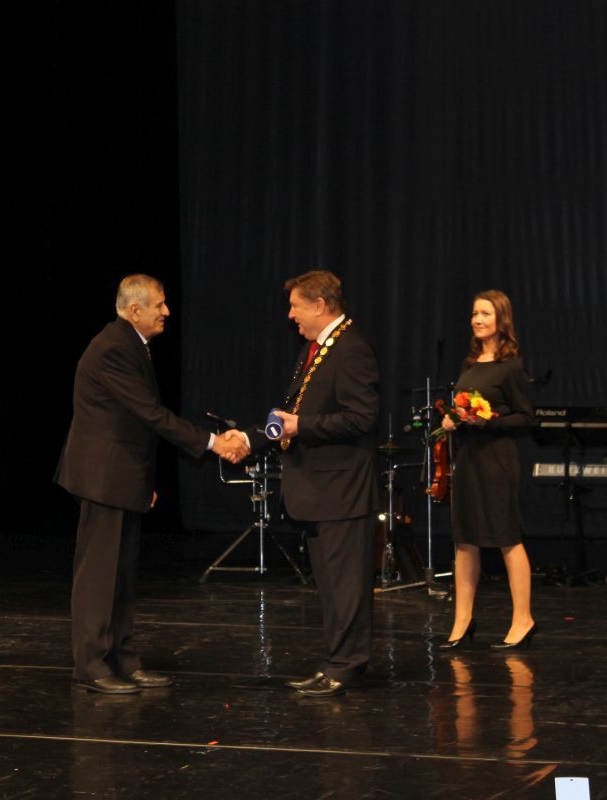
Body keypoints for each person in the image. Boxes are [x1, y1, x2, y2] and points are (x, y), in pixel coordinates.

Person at [56, 274, 248, 695]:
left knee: (122, 575)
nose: (166, 312)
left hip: (121, 476)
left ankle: (123, 660)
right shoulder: (113, 348)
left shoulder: (132, 344)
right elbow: (150, 413)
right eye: (159, 305)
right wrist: (214, 442)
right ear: (134, 309)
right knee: (99, 576)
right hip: (102, 478)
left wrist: (142, 479)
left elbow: (132, 422)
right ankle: (91, 665)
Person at [248, 270, 381, 697]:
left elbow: (363, 417)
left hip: (342, 489)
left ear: (320, 305)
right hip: (321, 490)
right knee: (331, 586)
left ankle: (346, 666)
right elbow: (296, 409)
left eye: (296, 306)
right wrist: (253, 436)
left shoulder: (351, 349)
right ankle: (334, 663)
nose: (291, 315)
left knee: (346, 586)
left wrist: (301, 426)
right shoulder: (318, 348)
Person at [438, 290, 536, 651]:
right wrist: (453, 419)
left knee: (507, 537)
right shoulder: (470, 364)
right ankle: (462, 621)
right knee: (465, 540)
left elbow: (526, 417)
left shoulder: (510, 367)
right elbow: (463, 410)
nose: (477, 320)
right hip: (468, 459)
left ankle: (523, 619)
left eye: (485, 314)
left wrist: (487, 421)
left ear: (501, 320)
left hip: (496, 460)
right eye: (474, 313)